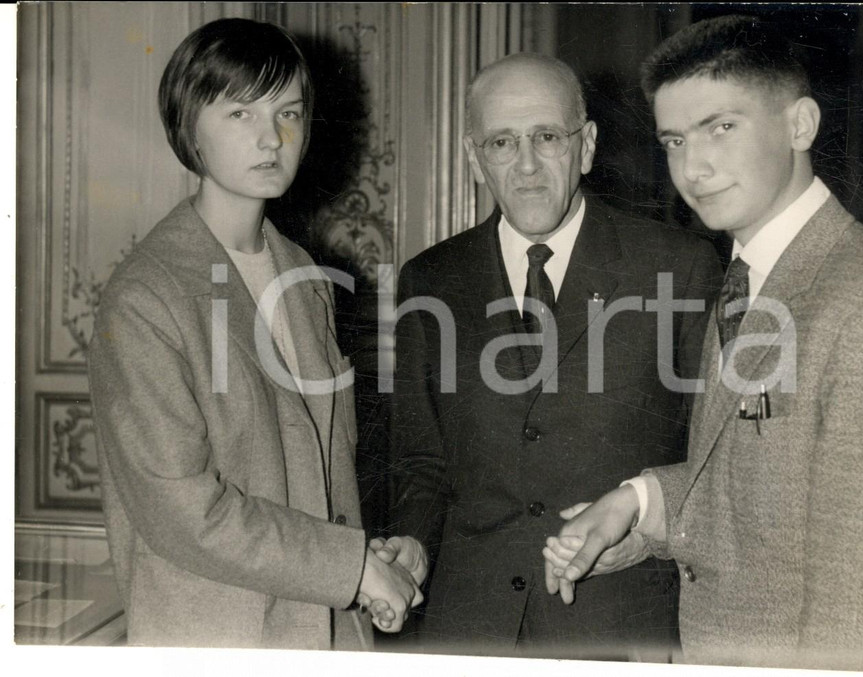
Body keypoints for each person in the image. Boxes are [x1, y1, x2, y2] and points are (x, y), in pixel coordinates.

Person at [543, 15, 863, 671]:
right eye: (675, 139)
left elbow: (861, 625)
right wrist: (638, 501)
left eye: (721, 127)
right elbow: (770, 485)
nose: (693, 166)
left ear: (800, 125)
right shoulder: (756, 277)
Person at [88, 17, 423, 649]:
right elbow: (184, 513)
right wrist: (352, 567)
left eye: (288, 113)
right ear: (189, 127)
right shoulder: (145, 298)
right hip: (218, 639)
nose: (272, 137)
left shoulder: (307, 277)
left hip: (328, 633)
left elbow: (320, 475)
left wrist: (375, 554)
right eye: (241, 113)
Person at [385, 52, 721, 659]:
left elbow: (719, 462)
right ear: (473, 158)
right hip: (469, 634)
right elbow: (422, 461)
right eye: (502, 143)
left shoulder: (677, 267)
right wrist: (412, 541)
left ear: (585, 146)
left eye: (547, 137)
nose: (527, 166)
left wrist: (649, 535)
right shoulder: (430, 279)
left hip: (617, 629)